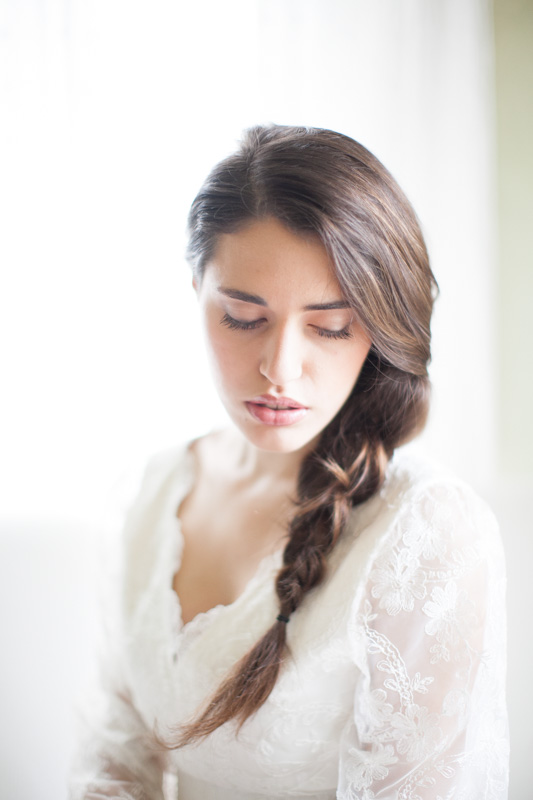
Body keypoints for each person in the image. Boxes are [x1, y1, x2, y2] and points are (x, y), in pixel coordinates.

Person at [69, 124, 508, 799]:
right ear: (196, 293)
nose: (279, 369)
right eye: (243, 318)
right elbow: (113, 756)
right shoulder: (149, 491)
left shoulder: (425, 533)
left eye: (330, 327)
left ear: (383, 327)